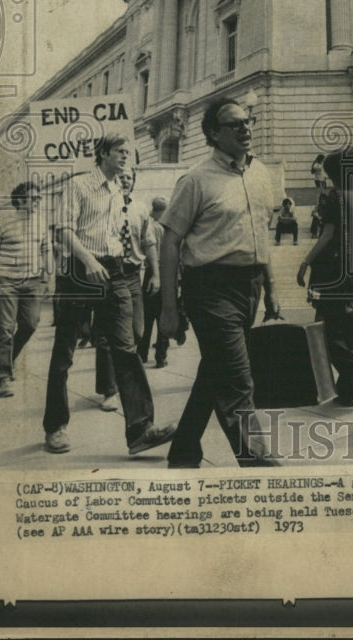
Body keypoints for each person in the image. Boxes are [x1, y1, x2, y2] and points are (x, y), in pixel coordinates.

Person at [159, 99, 284, 468]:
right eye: (235, 125)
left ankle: (183, 452)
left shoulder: (260, 172)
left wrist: (272, 290)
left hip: (250, 286)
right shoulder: (196, 180)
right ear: (214, 134)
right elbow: (170, 242)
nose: (246, 129)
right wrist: (168, 308)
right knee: (237, 382)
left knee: (217, 371)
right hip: (210, 289)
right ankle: (259, 466)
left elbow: (263, 233)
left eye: (248, 121)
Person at [42, 133, 176, 456]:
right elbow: (63, 228)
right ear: (103, 154)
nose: (125, 157)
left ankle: (141, 430)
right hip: (79, 272)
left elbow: (118, 234)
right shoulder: (79, 186)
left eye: (127, 153)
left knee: (125, 347)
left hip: (114, 272)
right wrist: (87, 260)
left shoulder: (120, 190)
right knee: (65, 352)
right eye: (120, 152)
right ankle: (55, 427)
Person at [297, 149, 353, 407]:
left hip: (338, 272)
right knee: (352, 332)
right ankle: (350, 389)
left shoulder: (333, 197)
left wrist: (305, 262)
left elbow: (327, 235)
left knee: (326, 329)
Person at [95, 168, 160, 409]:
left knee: (137, 331)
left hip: (132, 274)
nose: (125, 180)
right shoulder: (101, 207)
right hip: (108, 273)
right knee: (106, 334)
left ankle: (121, 381)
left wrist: (155, 274)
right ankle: (110, 391)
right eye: (120, 176)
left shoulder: (140, 208)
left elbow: (149, 241)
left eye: (129, 177)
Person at [0, 182, 49, 398]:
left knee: (30, 324)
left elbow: (46, 249)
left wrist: (47, 277)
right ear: (19, 200)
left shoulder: (41, 221)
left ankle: (7, 359)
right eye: (33, 198)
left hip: (32, 282)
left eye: (38, 198)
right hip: (7, 282)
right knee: (6, 329)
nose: (37, 202)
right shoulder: (2, 221)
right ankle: (4, 378)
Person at [138, 197, 169, 367]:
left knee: (147, 317)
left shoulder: (151, 227)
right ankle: (161, 356)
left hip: (151, 272)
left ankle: (142, 354)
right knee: (163, 317)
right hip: (167, 273)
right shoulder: (169, 228)